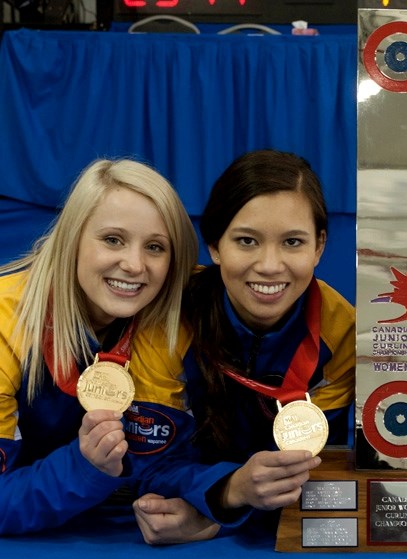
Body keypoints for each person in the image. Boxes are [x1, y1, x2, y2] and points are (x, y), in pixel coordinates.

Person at [0, 159, 248, 535]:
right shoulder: (6, 327)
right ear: (72, 238)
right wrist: (84, 468)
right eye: (113, 239)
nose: (134, 265)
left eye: (155, 247)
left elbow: (159, 464)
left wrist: (213, 504)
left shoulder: (168, 316)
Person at [133, 149, 355, 543]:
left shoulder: (343, 334)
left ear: (319, 246)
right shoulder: (166, 320)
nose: (270, 265)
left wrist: (214, 517)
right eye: (247, 241)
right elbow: (150, 466)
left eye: (292, 242)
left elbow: (316, 470)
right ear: (215, 245)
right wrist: (228, 490)